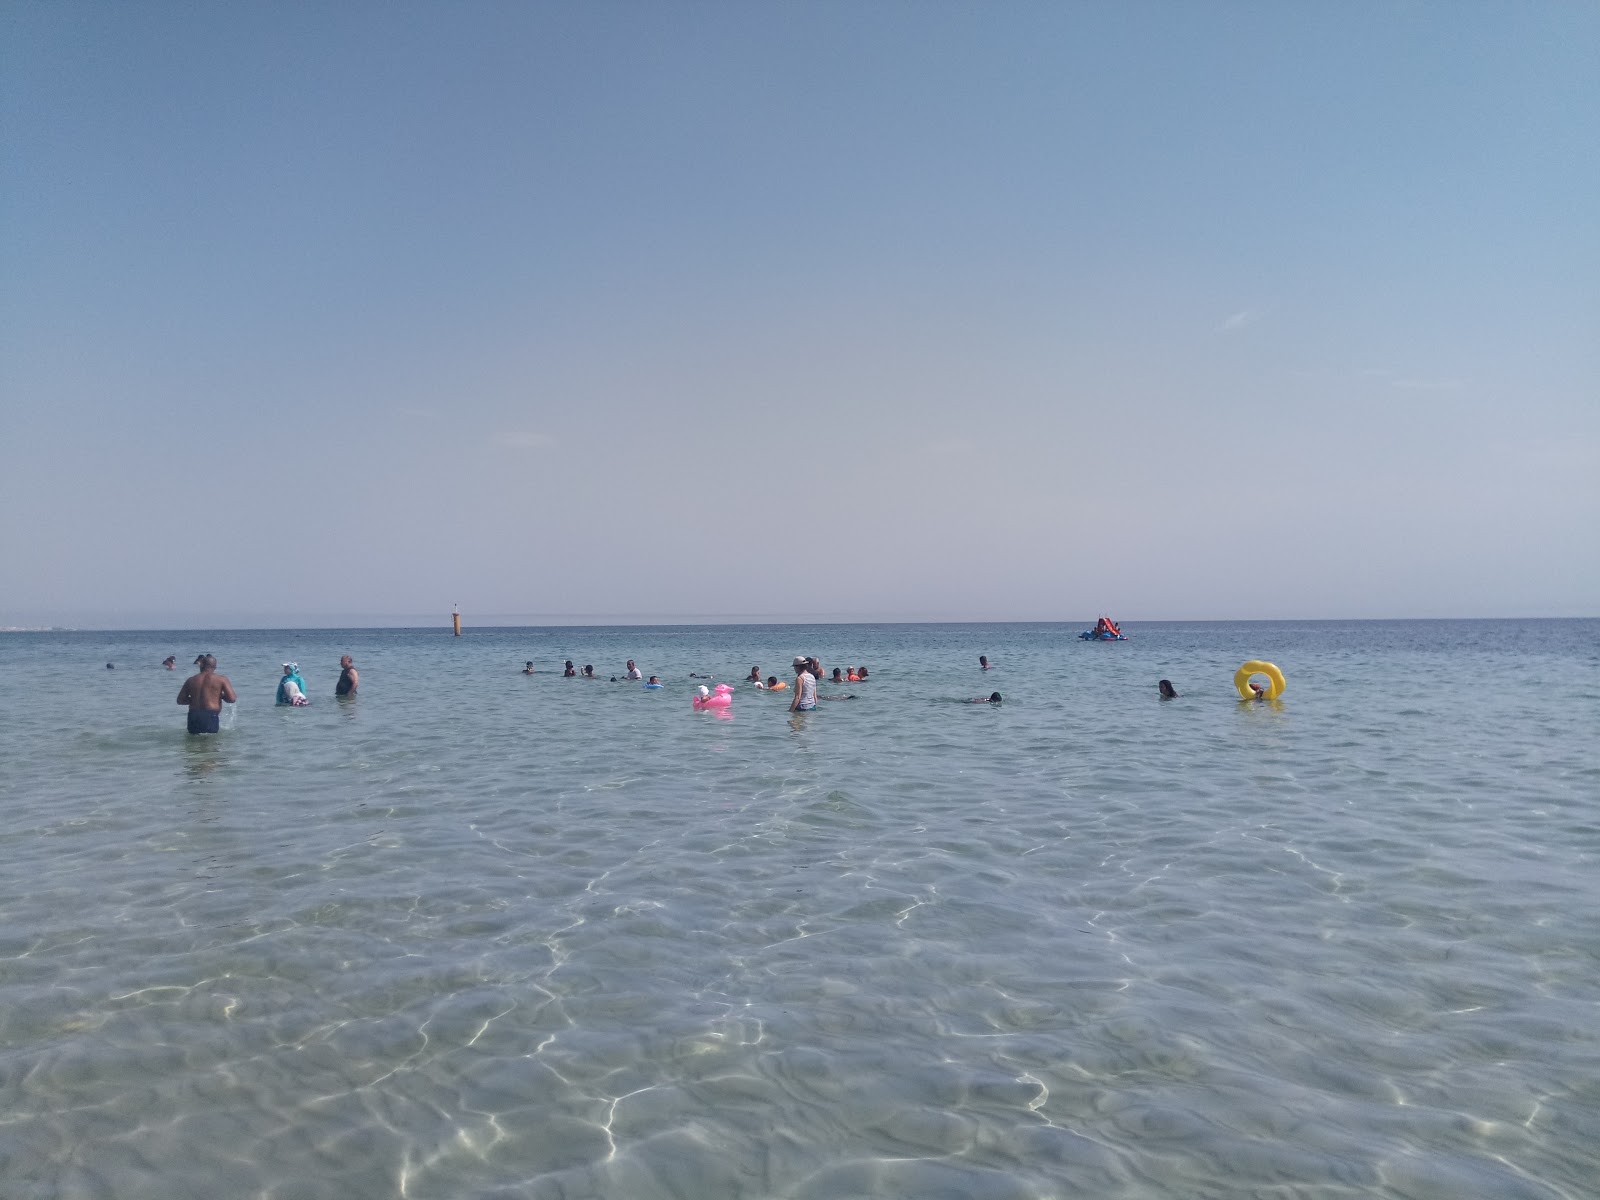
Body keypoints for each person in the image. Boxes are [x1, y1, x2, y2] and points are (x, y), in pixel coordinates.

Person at [177, 654, 236, 734]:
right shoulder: (221, 679)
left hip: (193, 715)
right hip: (210, 715)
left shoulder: (191, 680)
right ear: (215, 667)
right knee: (210, 744)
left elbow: (180, 700)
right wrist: (220, 696)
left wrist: (194, 700)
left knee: (193, 743)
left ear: (201, 665)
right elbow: (232, 699)